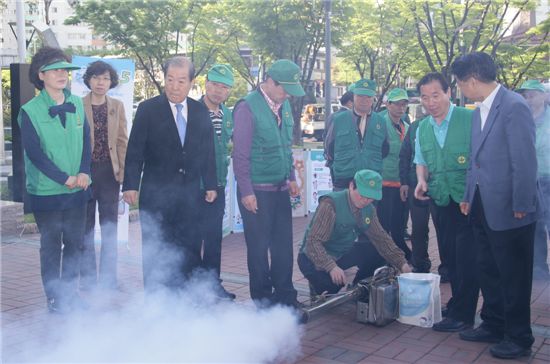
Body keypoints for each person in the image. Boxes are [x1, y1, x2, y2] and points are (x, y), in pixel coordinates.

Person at [452, 52, 542, 359]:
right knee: (488, 268)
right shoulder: (479, 111)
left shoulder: (514, 106)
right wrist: (467, 196)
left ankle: (519, 338)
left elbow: (524, 159)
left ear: (472, 80)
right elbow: (474, 160)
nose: (461, 89)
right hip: (482, 205)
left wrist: (522, 202)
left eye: (461, 83)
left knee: (513, 275)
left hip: (511, 208)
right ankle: (493, 323)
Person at [122, 56, 217, 292]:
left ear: (191, 82)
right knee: (157, 247)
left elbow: (208, 151)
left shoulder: (199, 111)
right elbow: (135, 150)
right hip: (156, 195)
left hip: (190, 194)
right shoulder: (148, 109)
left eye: (181, 81)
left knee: (190, 247)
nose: (174, 86)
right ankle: (157, 302)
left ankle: (187, 299)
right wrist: (130, 185)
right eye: (170, 80)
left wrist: (211, 185)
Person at [18, 47, 91, 313]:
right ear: (41, 75)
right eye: (55, 69)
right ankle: (54, 299)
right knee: (51, 246)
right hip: (46, 191)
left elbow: (86, 144)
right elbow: (35, 154)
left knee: (75, 243)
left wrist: (84, 172)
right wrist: (65, 178)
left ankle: (70, 295)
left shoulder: (78, 104)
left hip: (78, 189)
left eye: (65, 70)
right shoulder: (30, 111)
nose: (62, 74)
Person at [233, 59, 304, 308]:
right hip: (257, 191)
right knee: (259, 249)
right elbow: (240, 155)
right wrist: (246, 191)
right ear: (271, 82)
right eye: (284, 89)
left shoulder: (283, 107)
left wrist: (291, 177)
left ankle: (286, 296)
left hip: (280, 189)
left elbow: (285, 145)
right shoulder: (247, 107)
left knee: (284, 247)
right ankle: (263, 300)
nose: (287, 96)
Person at [414, 72, 479, 332]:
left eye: (436, 95)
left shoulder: (470, 118)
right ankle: (458, 304)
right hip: (440, 199)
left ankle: (463, 313)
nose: (431, 102)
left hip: (467, 200)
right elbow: (421, 160)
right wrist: (421, 180)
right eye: (425, 97)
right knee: (450, 257)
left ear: (448, 93)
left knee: (467, 258)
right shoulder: (422, 127)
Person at [298, 169, 412, 296]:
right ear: (351, 186)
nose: (365, 201)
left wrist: (402, 264)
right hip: (313, 257)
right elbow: (313, 242)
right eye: (362, 195)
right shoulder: (331, 204)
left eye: (371, 198)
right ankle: (316, 284)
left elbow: (382, 239)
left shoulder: (369, 210)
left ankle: (360, 288)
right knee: (331, 287)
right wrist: (331, 267)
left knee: (377, 252)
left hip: (340, 253)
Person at [80, 60, 128, 290]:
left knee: (110, 227)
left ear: (112, 82)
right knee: (85, 228)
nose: (101, 83)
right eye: (97, 78)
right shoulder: (77, 105)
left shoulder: (117, 106)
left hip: (109, 173)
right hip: (85, 174)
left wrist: (124, 173)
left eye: (106, 78)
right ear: (89, 79)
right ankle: (88, 280)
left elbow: (122, 141)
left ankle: (109, 279)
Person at [198, 64, 235, 299]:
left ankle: (213, 285)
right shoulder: (192, 110)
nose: (218, 91)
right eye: (214, 85)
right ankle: (192, 287)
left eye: (224, 87)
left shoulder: (228, 115)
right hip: (195, 186)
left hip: (219, 185)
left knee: (213, 238)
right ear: (205, 84)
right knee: (192, 239)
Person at [325, 79, 389, 190]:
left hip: (370, 180)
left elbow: (385, 149)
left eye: (368, 97)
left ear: (373, 99)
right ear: (353, 96)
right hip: (344, 180)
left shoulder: (381, 122)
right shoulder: (338, 120)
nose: (364, 100)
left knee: (370, 208)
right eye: (360, 96)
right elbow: (329, 148)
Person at [516, 80, 550, 280]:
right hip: (530, 180)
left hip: (549, 178)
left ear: (544, 96)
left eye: (532, 95)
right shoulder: (522, 119)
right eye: (526, 96)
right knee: (536, 226)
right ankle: (539, 270)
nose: (528, 100)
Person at [399, 114, 437, 274]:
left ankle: (449, 267)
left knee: (444, 228)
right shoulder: (415, 127)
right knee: (419, 227)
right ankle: (420, 263)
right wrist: (404, 182)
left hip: (441, 184)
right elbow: (405, 155)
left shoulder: (451, 124)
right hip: (416, 183)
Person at [377, 88, 411, 261]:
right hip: (384, 182)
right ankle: (382, 256)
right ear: (387, 104)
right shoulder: (380, 123)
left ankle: (399, 252)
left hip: (402, 182)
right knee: (384, 224)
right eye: (397, 103)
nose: (400, 107)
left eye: (404, 104)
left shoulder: (407, 125)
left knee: (399, 224)